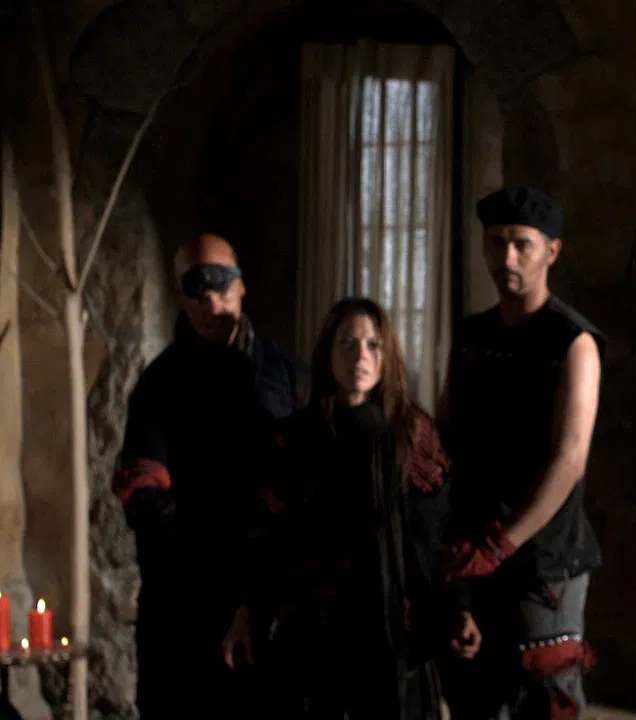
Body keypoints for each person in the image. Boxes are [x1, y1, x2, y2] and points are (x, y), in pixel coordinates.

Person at [111, 233, 308, 717]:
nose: (210, 300)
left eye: (220, 283)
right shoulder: (159, 384)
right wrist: (213, 565)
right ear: (181, 296)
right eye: (195, 287)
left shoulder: (287, 372)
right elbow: (143, 493)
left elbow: (313, 474)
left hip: (272, 603)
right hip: (185, 609)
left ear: (242, 286)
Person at [253, 297, 480, 719]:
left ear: (387, 354)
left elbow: (438, 532)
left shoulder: (412, 435)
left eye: (373, 345)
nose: (360, 356)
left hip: (393, 631)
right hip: (315, 633)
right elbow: (272, 537)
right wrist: (249, 611)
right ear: (328, 351)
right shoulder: (297, 437)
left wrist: (459, 607)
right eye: (347, 343)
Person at [439, 186, 604, 720]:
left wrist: (502, 543)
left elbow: (569, 460)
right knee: (474, 696)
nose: (506, 257)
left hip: (544, 559)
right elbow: (447, 435)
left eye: (521, 245)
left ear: (550, 251)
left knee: (546, 700)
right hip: (475, 549)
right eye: (495, 242)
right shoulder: (472, 335)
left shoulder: (573, 341)